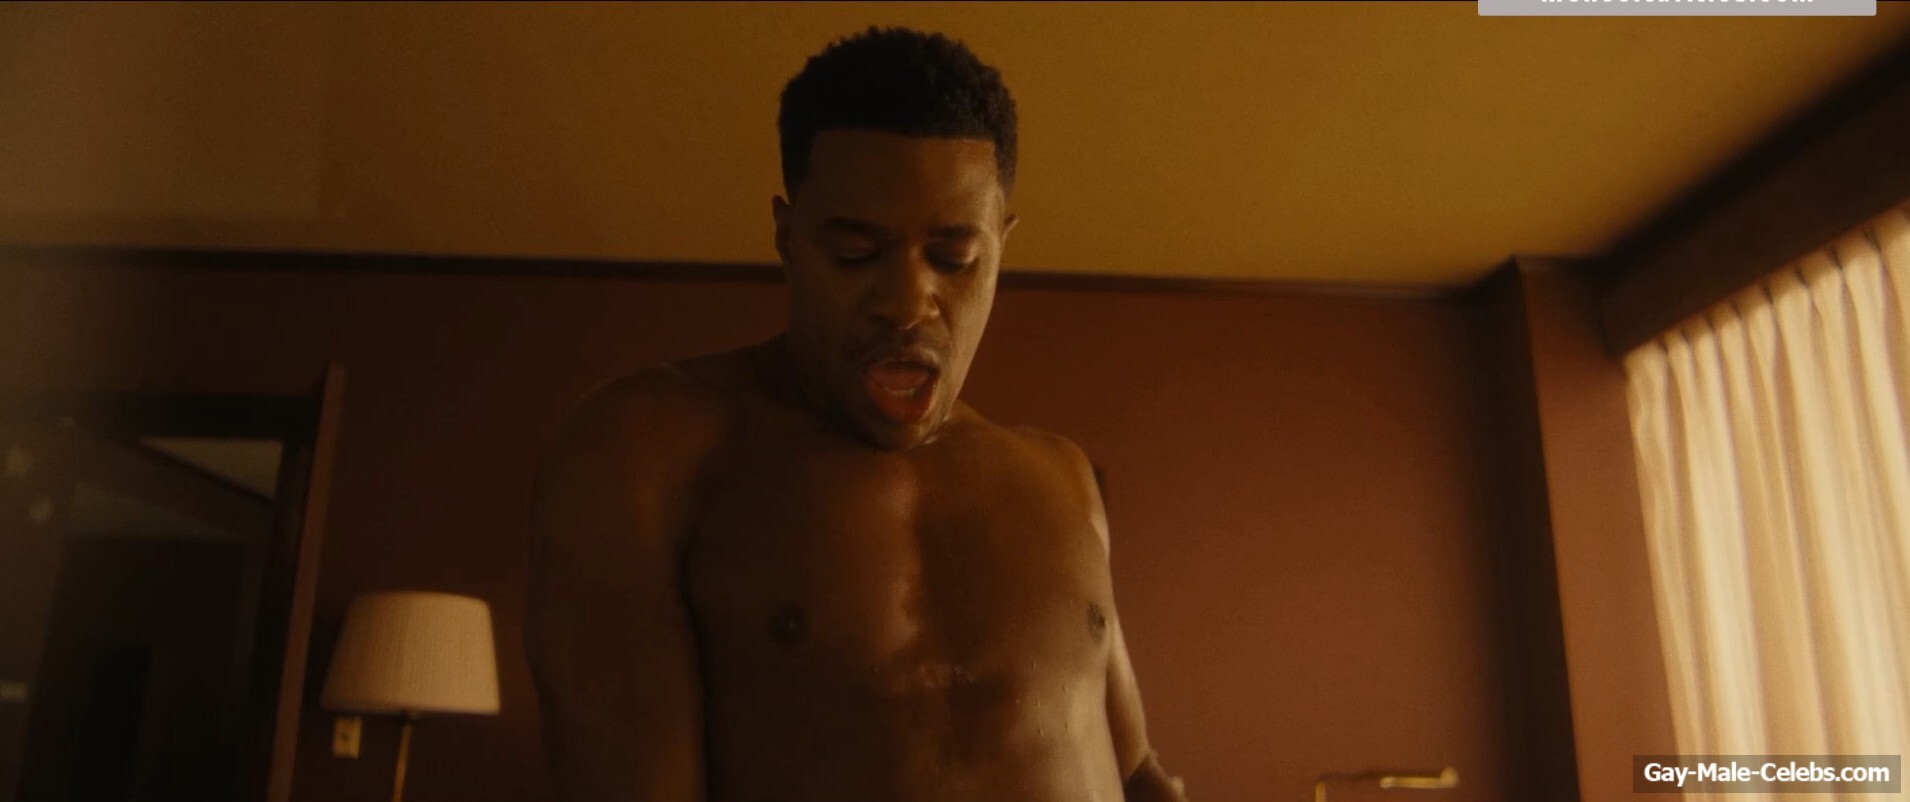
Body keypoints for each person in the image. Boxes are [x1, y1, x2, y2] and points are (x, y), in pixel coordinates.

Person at [526, 26, 1189, 802]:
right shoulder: (649, 453)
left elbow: (1139, 773)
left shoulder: (1063, 479)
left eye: (953, 259)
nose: (907, 303)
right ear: (788, 239)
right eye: (854, 254)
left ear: (1001, 246)